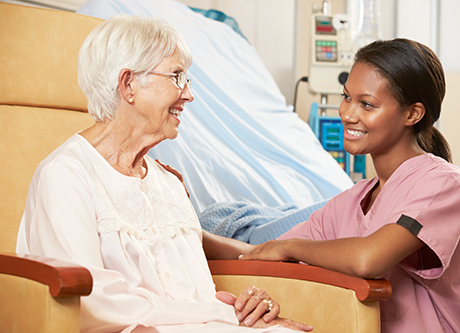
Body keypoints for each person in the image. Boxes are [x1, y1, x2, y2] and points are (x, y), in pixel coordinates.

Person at [16, 14, 312, 333]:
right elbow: (92, 303)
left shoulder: (168, 183)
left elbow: (198, 292)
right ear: (128, 84)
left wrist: (247, 309)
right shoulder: (65, 175)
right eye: (176, 77)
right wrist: (220, 315)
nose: (188, 94)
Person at [240, 39, 460, 333]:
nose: (347, 114)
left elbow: (367, 259)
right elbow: (260, 252)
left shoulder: (441, 183)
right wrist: (186, 230)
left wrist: (290, 247)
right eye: (347, 97)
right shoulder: (350, 202)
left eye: (366, 104)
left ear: (413, 114)